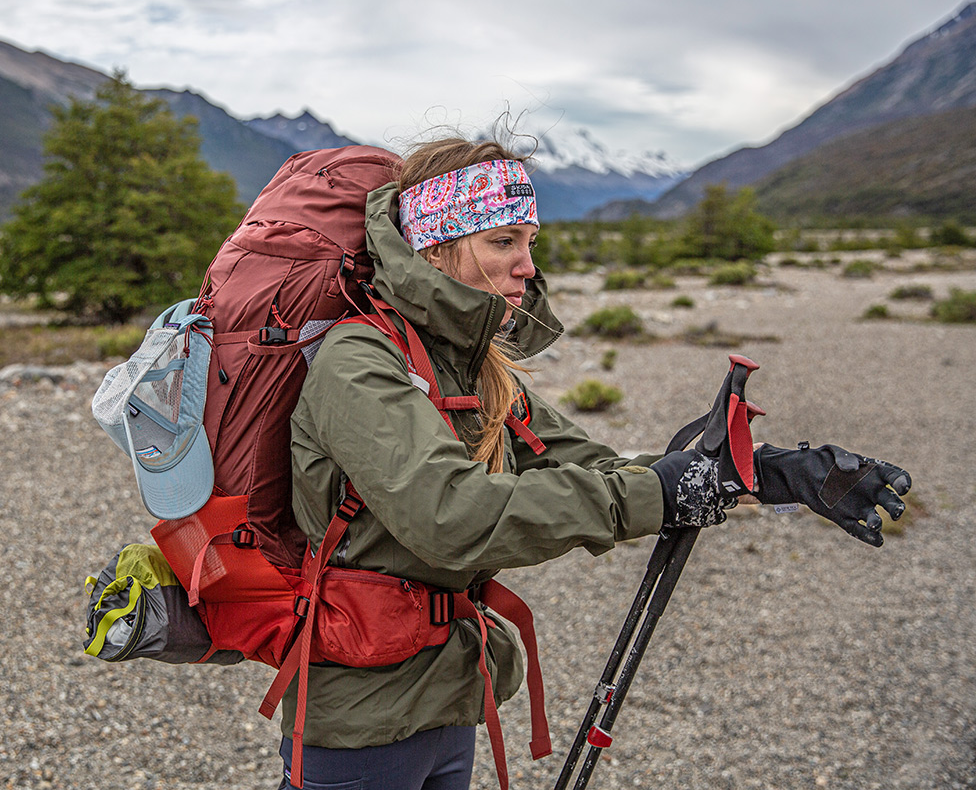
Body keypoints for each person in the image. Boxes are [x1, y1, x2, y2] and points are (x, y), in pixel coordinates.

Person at [278, 136, 911, 789]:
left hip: (446, 695)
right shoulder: (361, 363)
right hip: (360, 719)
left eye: (530, 242)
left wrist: (762, 472)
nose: (528, 266)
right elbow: (451, 517)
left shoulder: (475, 369)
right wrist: (659, 495)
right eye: (503, 242)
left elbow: (593, 466)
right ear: (434, 248)